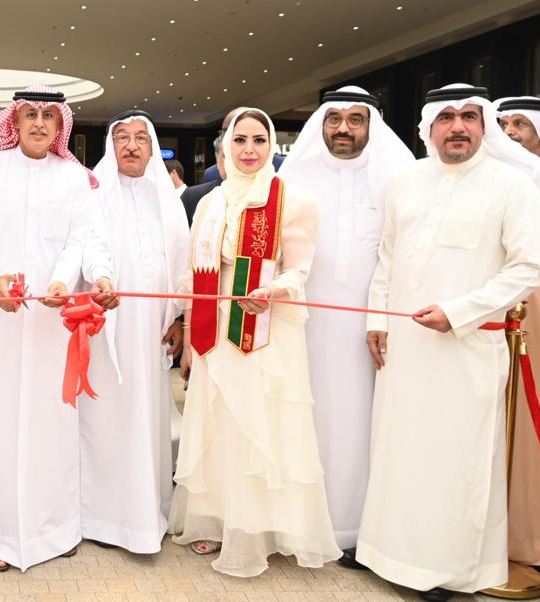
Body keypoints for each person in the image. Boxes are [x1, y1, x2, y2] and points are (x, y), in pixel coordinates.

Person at [358, 84, 540, 601]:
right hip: (403, 350)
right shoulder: (405, 181)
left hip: (469, 349)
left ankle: (444, 568)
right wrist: (377, 318)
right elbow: (388, 258)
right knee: (400, 450)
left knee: (455, 460)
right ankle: (386, 553)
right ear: (428, 127)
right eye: (446, 117)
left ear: (483, 125)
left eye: (469, 116)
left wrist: (458, 313)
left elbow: (528, 269)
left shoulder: (511, 185)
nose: (458, 126)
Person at [169, 107, 340, 577]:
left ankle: (257, 530)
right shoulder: (211, 202)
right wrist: (189, 335)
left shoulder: (293, 200)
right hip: (215, 328)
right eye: (240, 140)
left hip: (264, 327)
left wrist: (274, 291)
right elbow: (194, 274)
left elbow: (299, 270)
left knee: (259, 422)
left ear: (271, 146)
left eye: (259, 140)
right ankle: (217, 519)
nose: (249, 150)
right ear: (226, 146)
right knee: (219, 420)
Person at [0, 86, 115, 572]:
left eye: (49, 115)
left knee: (51, 423)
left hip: (51, 321)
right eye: (30, 114)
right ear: (15, 122)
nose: (40, 123)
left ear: (60, 124)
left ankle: (53, 530)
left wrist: (62, 281)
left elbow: (80, 241)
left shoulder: (74, 177)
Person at [277, 86, 415, 563]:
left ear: (371, 125)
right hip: (303, 323)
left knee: (362, 422)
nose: (343, 128)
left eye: (356, 119)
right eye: (334, 118)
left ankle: (356, 525)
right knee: (303, 415)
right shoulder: (294, 177)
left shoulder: (397, 177)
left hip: (369, 327)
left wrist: (382, 316)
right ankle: (297, 524)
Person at [82, 109, 189, 553]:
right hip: (106, 325)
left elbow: (183, 262)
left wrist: (180, 318)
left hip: (153, 332)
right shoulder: (94, 194)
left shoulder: (167, 199)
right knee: (105, 417)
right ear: (111, 146)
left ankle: (146, 512)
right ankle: (102, 516)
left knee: (148, 416)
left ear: (152, 147)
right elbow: (90, 247)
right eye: (122, 138)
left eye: (140, 139)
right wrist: (101, 278)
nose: (131, 146)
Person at [495, 95, 540, 582]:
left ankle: (536, 539)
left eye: (522, 123)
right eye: (504, 124)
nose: (512, 132)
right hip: (485, 314)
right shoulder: (488, 181)